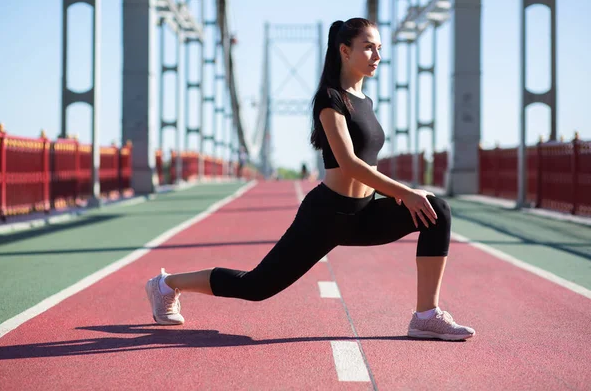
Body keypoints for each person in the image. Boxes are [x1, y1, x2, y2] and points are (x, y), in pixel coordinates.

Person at [146, 18, 475, 341]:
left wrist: (411, 194)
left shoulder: (367, 102)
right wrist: (404, 192)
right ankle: (166, 284)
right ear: (345, 51)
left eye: (379, 49)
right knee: (255, 286)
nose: (377, 56)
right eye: (369, 48)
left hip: (364, 214)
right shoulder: (329, 99)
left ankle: (426, 317)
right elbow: (349, 163)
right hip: (327, 216)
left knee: (437, 211)